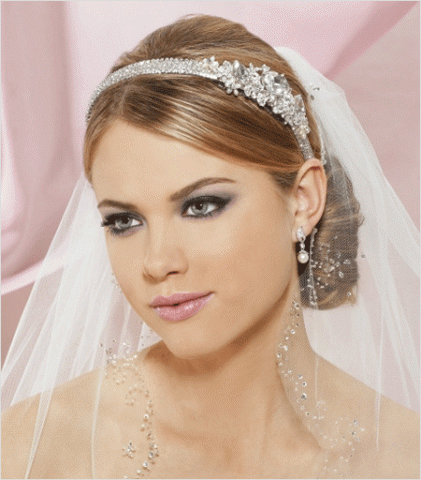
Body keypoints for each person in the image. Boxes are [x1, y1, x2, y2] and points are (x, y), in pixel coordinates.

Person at [1, 14, 419, 479]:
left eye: (201, 207)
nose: (157, 262)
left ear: (303, 200)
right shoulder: (33, 446)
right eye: (124, 221)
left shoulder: (404, 457)